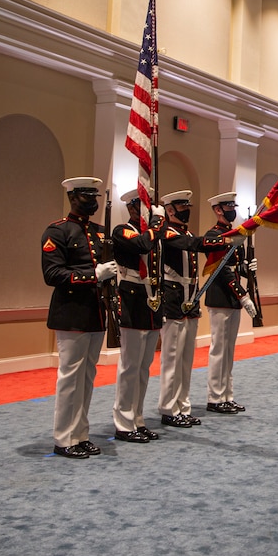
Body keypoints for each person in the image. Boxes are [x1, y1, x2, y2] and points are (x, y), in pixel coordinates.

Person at [41, 176, 116, 459]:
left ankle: (80, 434)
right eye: (87, 196)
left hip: (96, 312)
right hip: (71, 313)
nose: (92, 202)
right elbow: (52, 274)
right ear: (73, 197)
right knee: (70, 377)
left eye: (94, 196)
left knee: (87, 377)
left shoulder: (99, 232)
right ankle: (63, 438)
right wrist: (93, 275)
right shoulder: (57, 231)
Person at [157, 190, 229, 428]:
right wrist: (225, 239)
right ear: (170, 210)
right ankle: (169, 407)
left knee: (186, 358)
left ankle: (183, 406)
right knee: (171, 358)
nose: (186, 209)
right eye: (181, 206)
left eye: (188, 205)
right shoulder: (168, 231)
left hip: (190, 297)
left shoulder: (186, 231)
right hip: (173, 297)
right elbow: (192, 245)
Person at [111, 188, 166, 443]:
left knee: (144, 367)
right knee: (130, 366)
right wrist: (155, 224)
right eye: (143, 206)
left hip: (151, 301)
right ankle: (123, 423)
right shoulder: (122, 230)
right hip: (132, 298)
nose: (148, 211)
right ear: (132, 209)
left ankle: (137, 418)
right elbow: (142, 244)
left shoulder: (154, 235)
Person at [203, 192, 259, 414]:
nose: (231, 209)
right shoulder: (214, 234)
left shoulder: (235, 234)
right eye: (227, 206)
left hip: (232, 298)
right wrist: (243, 295)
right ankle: (215, 397)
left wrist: (247, 268)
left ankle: (227, 394)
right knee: (219, 348)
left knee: (229, 350)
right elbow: (222, 270)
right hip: (220, 296)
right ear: (218, 210)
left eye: (232, 206)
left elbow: (236, 267)